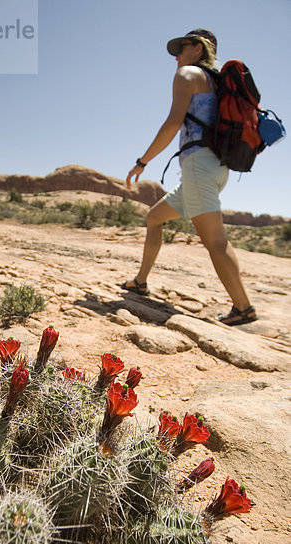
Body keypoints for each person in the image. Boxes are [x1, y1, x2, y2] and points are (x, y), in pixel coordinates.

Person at [123, 29, 257, 326]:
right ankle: (140, 281)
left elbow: (173, 123)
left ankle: (243, 308)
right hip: (213, 168)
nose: (176, 56)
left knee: (215, 241)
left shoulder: (188, 74)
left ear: (197, 49)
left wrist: (142, 162)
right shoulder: (217, 82)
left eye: (180, 48)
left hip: (198, 168)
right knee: (154, 218)